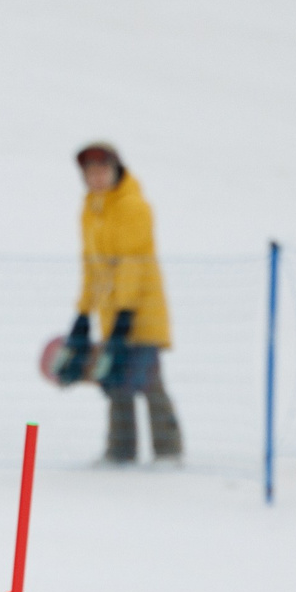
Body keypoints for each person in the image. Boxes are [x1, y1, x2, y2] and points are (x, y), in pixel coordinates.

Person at [58, 143, 182, 464]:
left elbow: (132, 263)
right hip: (113, 312)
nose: (97, 178)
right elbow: (91, 267)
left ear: (116, 170)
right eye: (90, 173)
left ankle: (168, 451)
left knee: (148, 378)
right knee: (114, 379)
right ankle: (120, 450)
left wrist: (126, 312)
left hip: (142, 308)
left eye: (102, 171)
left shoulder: (133, 207)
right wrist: (83, 313)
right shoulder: (91, 211)